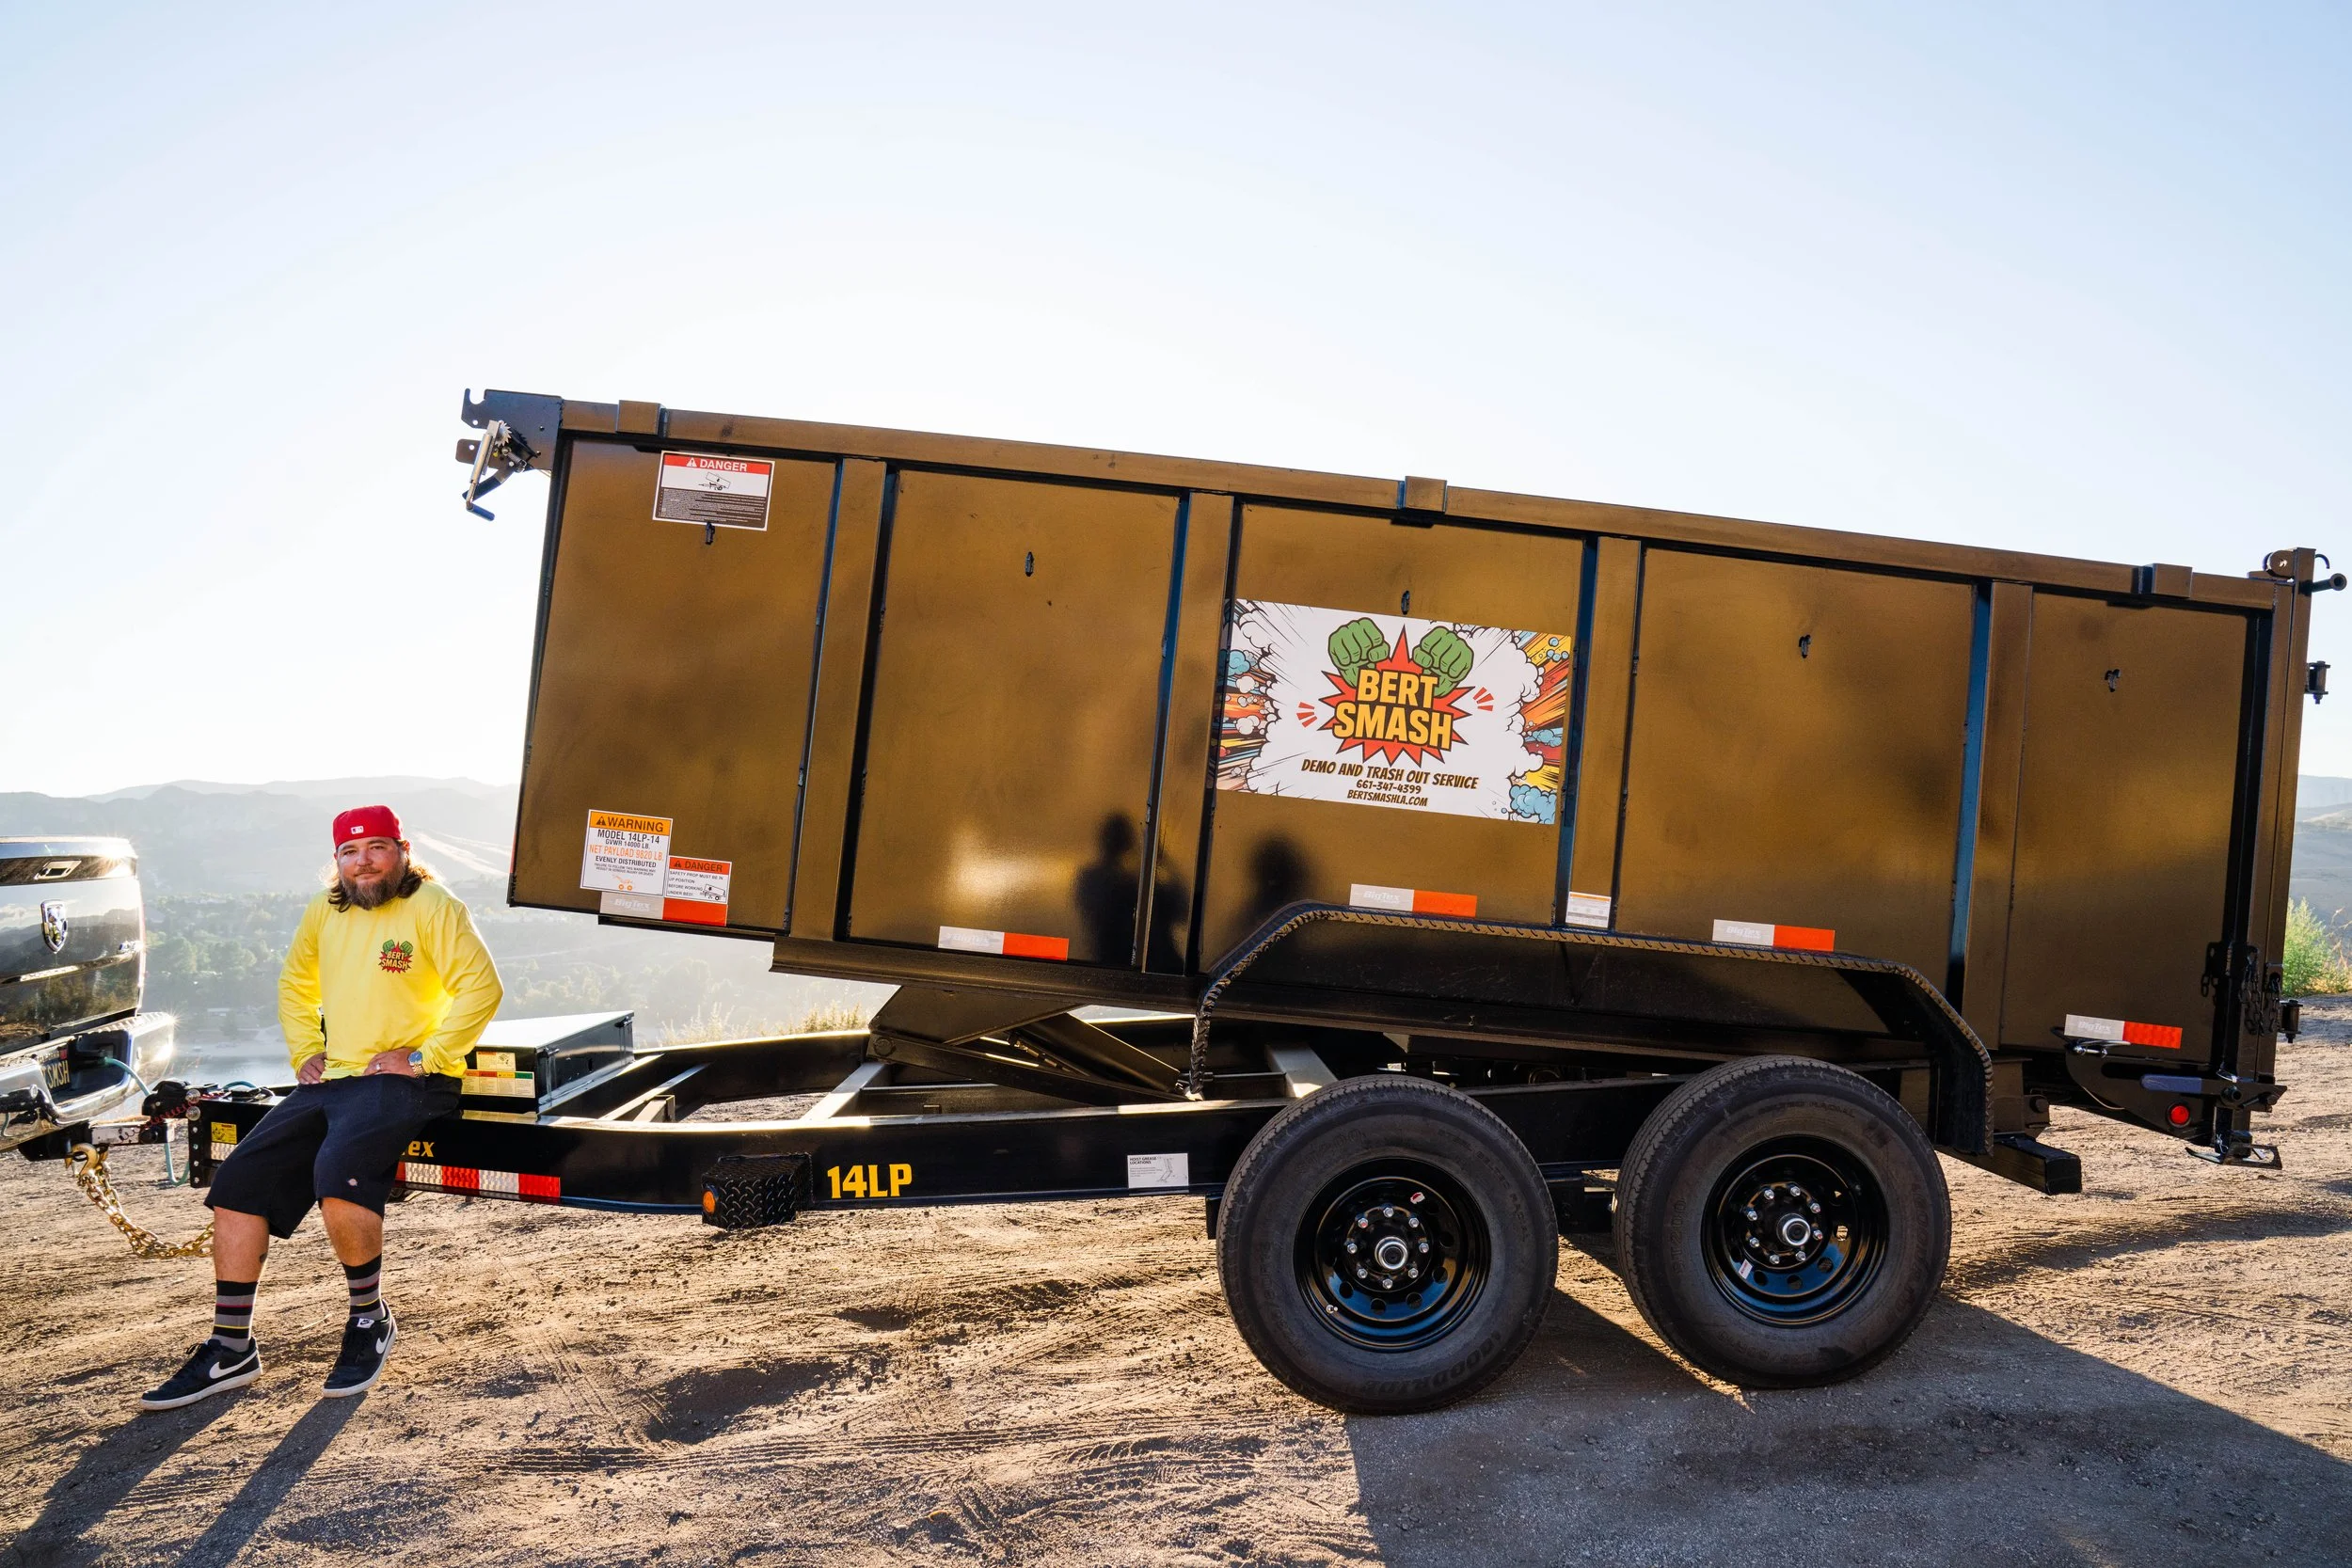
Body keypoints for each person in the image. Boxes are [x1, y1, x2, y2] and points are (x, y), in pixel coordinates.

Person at [139, 805, 502, 1409]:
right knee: (237, 1183)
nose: (363, 863)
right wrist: (306, 1049)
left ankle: (369, 1320)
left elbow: (481, 986)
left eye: (377, 849)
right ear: (336, 860)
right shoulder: (324, 910)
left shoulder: (435, 906)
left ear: (402, 851)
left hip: (407, 1078)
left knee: (341, 1177)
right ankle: (231, 1347)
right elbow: (295, 984)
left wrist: (424, 1057)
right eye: (350, 853)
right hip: (334, 1077)